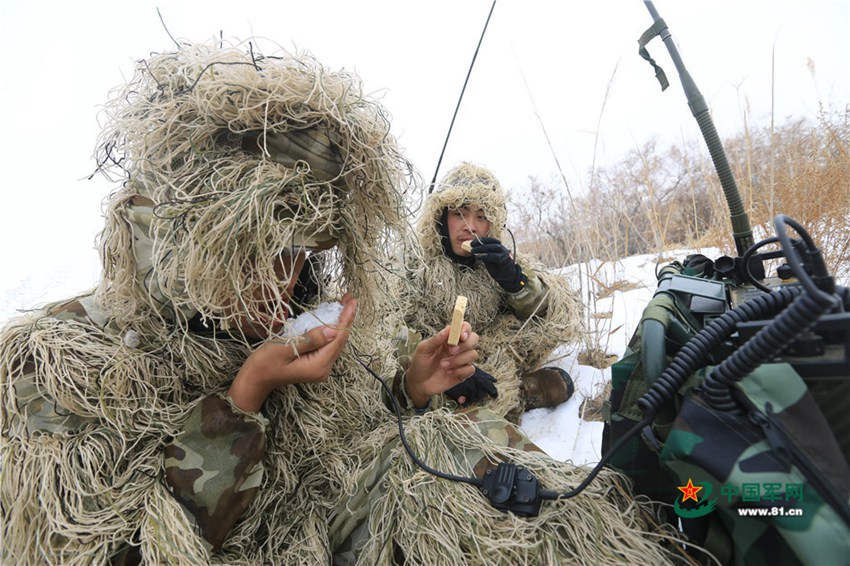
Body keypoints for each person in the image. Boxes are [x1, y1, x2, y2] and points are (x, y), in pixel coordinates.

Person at [0, 40, 691, 565]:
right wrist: (246, 395)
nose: (285, 282)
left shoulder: (308, 310)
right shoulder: (57, 366)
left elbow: (342, 450)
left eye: (302, 255)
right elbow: (121, 551)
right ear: (185, 241)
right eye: (262, 255)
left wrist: (412, 388)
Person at [396, 163, 583, 421]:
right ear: (440, 216)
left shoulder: (498, 261)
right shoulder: (411, 263)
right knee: (439, 419)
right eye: (459, 213)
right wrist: (443, 369)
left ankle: (504, 390)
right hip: (428, 372)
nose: (470, 226)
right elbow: (386, 330)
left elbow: (554, 313)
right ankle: (517, 394)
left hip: (486, 356)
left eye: (481, 217)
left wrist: (515, 282)